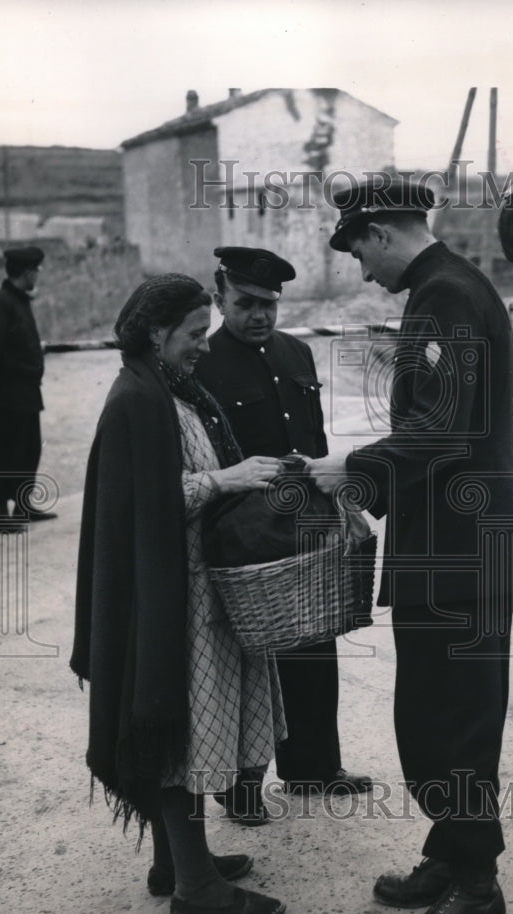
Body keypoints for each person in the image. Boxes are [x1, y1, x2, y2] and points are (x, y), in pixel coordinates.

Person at [308, 177, 513, 914]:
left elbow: (445, 427)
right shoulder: (449, 289)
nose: (361, 271)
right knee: (432, 712)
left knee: (455, 723)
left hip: (463, 551)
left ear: (378, 232)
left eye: (358, 253)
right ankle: (448, 855)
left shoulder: (444, 294)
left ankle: (477, 889)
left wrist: (353, 470)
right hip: (456, 542)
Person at [70, 274, 288, 914]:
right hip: (166, 600)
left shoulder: (164, 388)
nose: (201, 346)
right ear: (158, 332)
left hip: (183, 588)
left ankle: (175, 863)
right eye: (194, 334)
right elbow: (147, 502)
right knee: (175, 735)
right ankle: (196, 889)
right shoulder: (136, 399)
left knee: (182, 729)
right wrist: (227, 479)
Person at [195, 245, 372, 822]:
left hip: (301, 521)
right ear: (220, 297)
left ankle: (315, 767)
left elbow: (315, 438)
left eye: (269, 304)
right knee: (246, 659)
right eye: (246, 303)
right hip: (240, 528)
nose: (259, 315)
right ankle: (241, 785)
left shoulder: (296, 352)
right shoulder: (202, 361)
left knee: (314, 643)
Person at [0, 245, 57, 531]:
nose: (38, 274)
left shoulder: (18, 300)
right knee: (10, 451)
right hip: (10, 393)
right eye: (36, 270)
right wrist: (28, 369)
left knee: (30, 448)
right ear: (27, 272)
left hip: (26, 391)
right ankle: (1, 513)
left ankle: (22, 506)